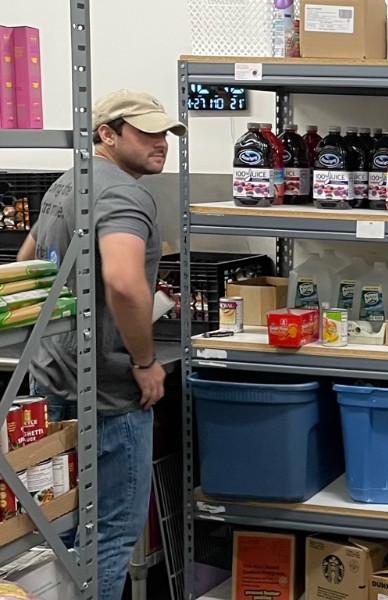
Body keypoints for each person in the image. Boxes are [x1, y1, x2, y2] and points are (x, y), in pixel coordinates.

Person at [18, 89, 184, 600]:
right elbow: (123, 280)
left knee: (57, 534)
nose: (161, 143)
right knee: (108, 538)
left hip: (51, 379)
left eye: (165, 133)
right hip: (109, 396)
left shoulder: (66, 185)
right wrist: (144, 361)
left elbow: (30, 262)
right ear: (106, 134)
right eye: (147, 133)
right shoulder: (125, 195)